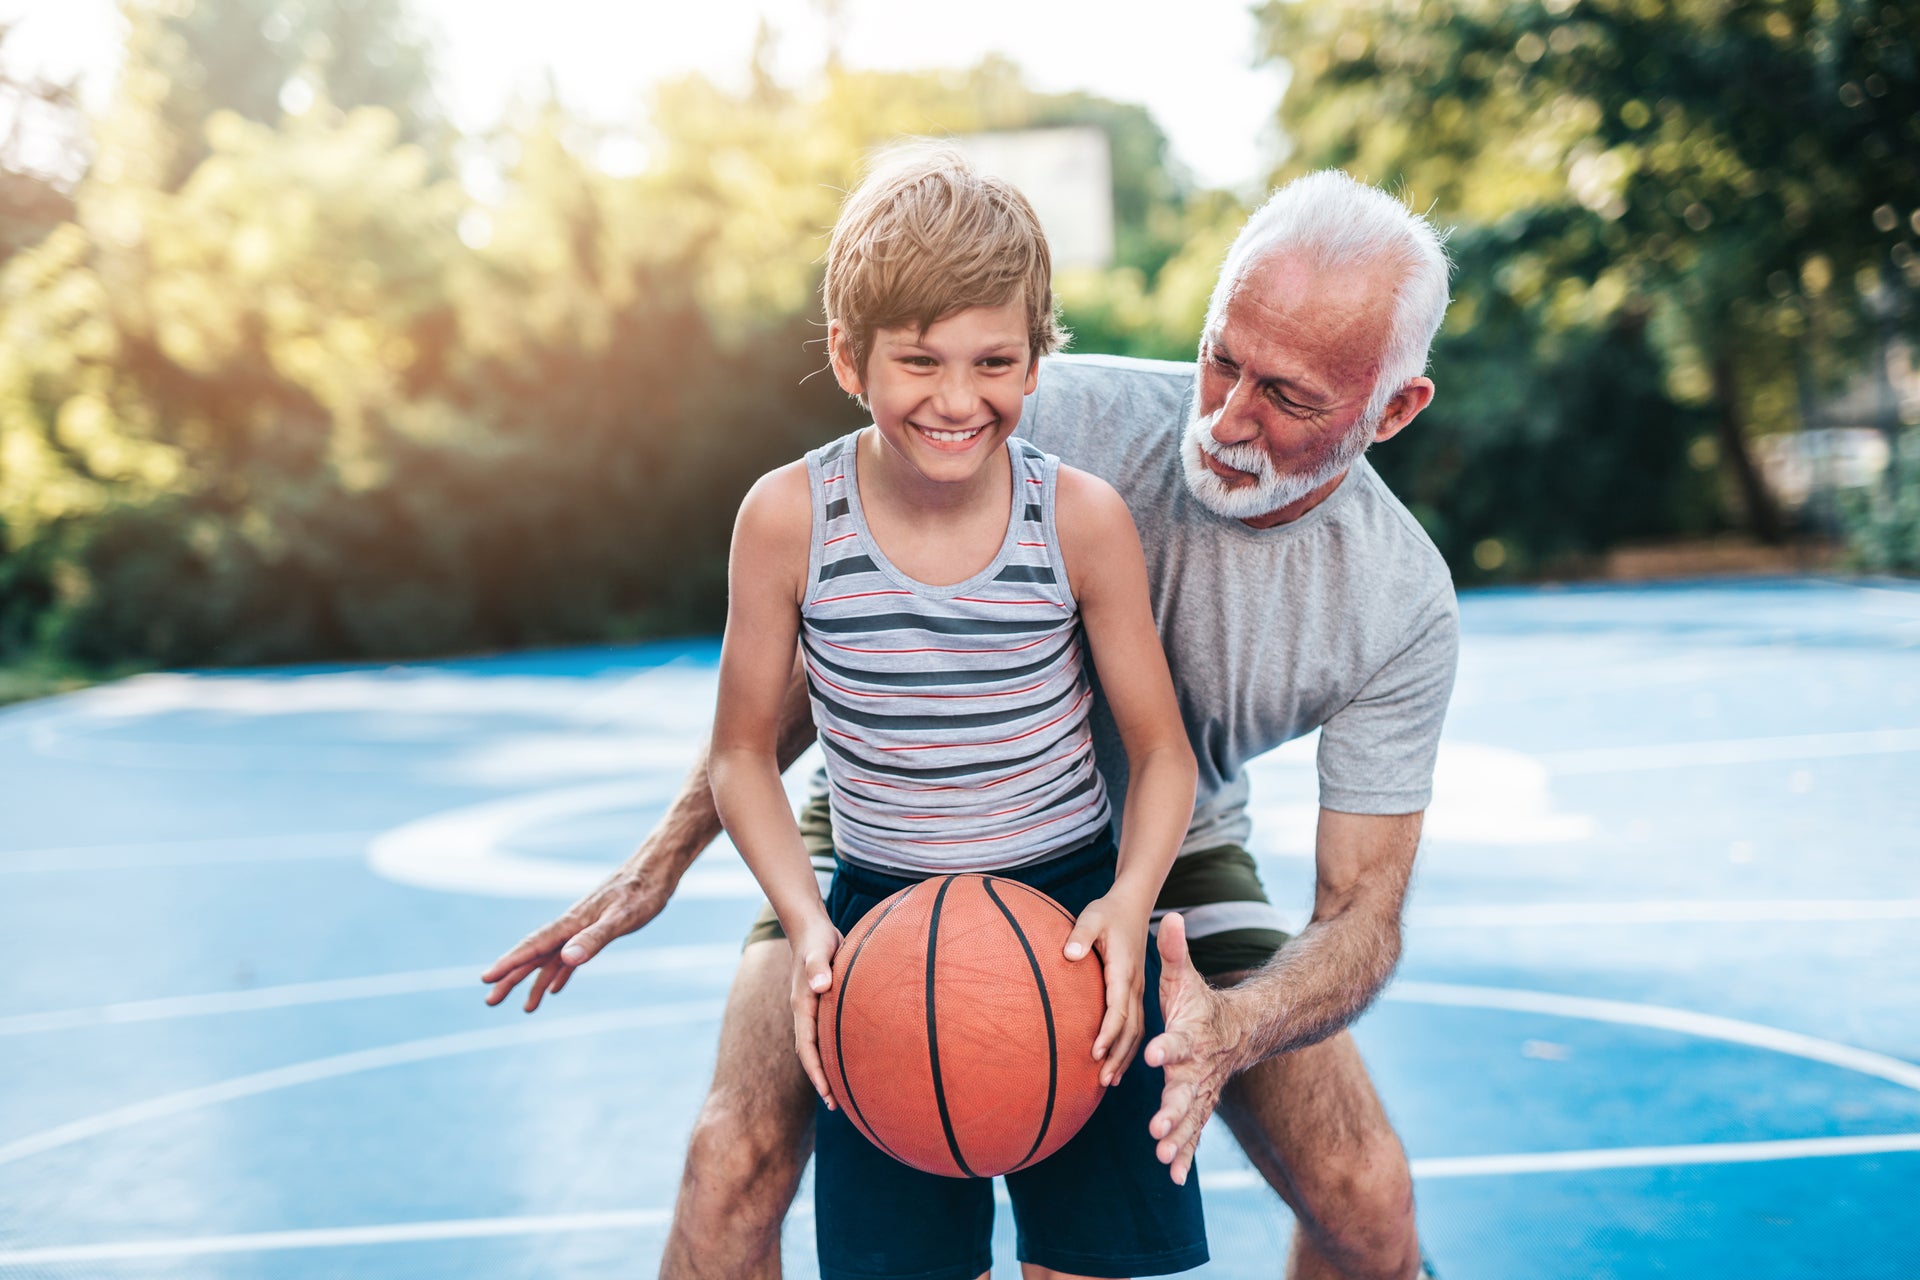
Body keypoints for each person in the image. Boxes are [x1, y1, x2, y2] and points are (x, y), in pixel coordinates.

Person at [483, 167, 1458, 1280]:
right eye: (1221, 358)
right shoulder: (1036, 408)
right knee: (731, 1161)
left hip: (1153, 840)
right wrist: (666, 856)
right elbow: (843, 643)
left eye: (1287, 396)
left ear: (1391, 409)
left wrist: (1226, 1026)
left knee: (1366, 1197)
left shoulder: (1397, 602)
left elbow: (1360, 916)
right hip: (883, 828)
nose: (1227, 416)